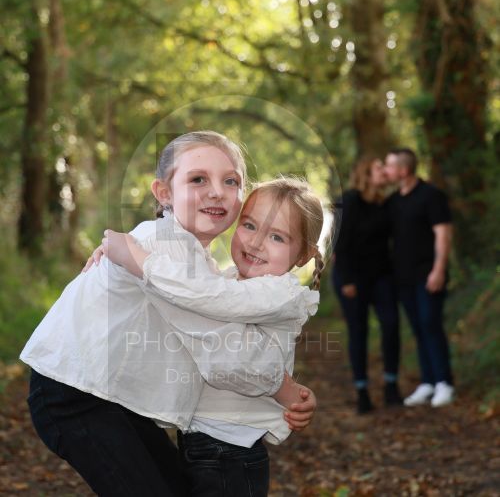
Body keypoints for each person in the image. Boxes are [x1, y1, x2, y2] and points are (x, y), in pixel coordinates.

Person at [20, 131, 318, 496]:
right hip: (74, 393)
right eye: (198, 179)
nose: (216, 191)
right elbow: (223, 347)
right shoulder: (165, 249)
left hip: (108, 394)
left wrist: (125, 247)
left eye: (230, 181)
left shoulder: (188, 259)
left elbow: (217, 312)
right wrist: (285, 390)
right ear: (164, 193)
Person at [100, 177, 326, 496]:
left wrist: (136, 258)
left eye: (277, 236)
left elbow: (203, 303)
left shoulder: (279, 293)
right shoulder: (230, 282)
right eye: (249, 225)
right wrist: (116, 255)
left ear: (303, 256)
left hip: (230, 452)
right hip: (206, 442)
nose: (256, 242)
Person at [384, 147, 454, 407]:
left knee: (430, 324)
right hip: (403, 278)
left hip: (429, 275)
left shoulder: (431, 195)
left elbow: (443, 234)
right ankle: (428, 382)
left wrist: (439, 269)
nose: (386, 171)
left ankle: (445, 382)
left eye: (389, 166)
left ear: (403, 170)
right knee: (417, 328)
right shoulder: (392, 202)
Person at [332, 156, 401, 414]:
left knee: (391, 324)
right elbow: (340, 243)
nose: (384, 171)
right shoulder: (349, 201)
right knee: (358, 331)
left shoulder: (386, 203)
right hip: (352, 277)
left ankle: (391, 385)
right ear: (366, 173)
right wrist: (347, 280)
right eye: (379, 167)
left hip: (382, 276)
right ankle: (362, 391)